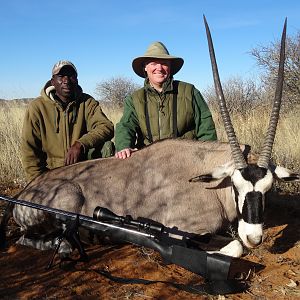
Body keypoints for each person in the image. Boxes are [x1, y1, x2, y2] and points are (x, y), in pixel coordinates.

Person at [115, 41, 217, 159]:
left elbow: (206, 127)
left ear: (170, 67)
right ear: (145, 67)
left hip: (186, 158)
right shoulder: (134, 98)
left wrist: (209, 156)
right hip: (148, 159)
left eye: (164, 63)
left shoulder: (190, 91)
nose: (159, 68)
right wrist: (124, 146)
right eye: (153, 63)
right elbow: (126, 126)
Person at [21, 60, 114, 181]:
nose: (66, 80)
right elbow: (30, 151)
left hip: (83, 169)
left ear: (77, 80)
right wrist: (36, 183)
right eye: (61, 76)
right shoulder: (37, 107)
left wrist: (80, 144)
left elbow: (106, 126)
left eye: (71, 76)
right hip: (52, 174)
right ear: (52, 81)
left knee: (108, 147)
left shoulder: (87, 102)